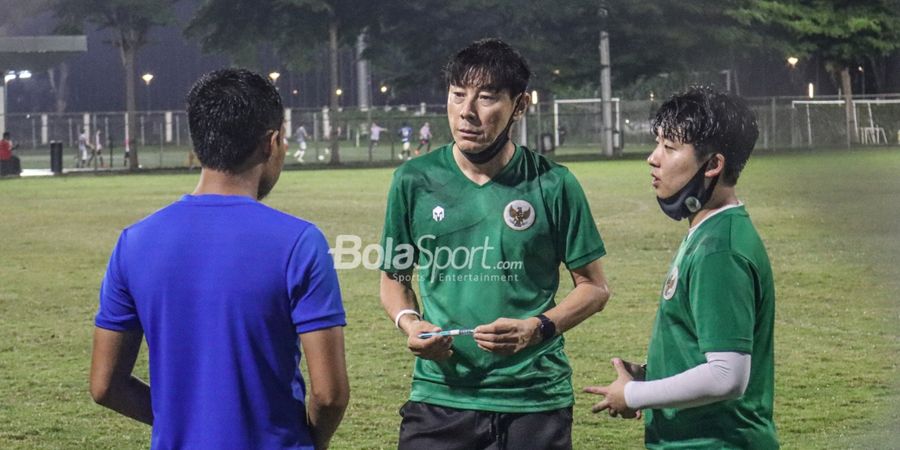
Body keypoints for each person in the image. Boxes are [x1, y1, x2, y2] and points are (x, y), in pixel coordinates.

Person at [90, 68, 350, 450]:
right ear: (271, 142)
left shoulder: (134, 242)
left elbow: (104, 386)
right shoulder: (299, 242)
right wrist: (312, 440)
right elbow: (329, 395)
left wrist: (182, 419)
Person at [379, 38, 610, 450]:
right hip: (439, 398)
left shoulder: (554, 184)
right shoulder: (413, 181)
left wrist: (536, 329)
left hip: (535, 400)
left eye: (486, 98)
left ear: (519, 106)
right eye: (457, 95)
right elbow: (394, 279)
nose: (467, 112)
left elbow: (594, 288)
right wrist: (411, 325)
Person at [584, 86, 777, 449]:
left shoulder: (720, 250)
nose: (653, 158)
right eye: (657, 143)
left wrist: (634, 395)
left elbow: (727, 376)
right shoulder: (709, 230)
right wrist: (652, 375)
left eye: (669, 148)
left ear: (713, 165)